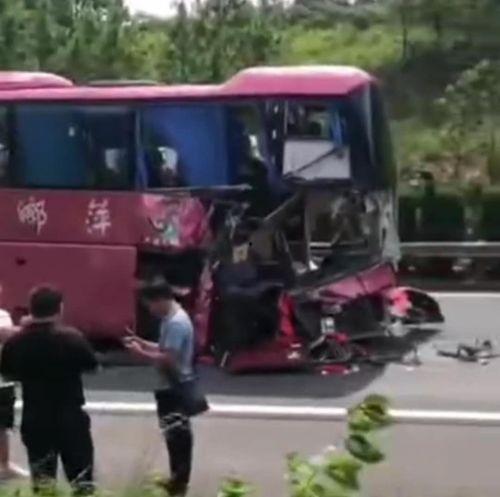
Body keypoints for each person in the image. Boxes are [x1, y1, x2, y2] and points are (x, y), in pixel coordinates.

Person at [0, 286, 97, 494]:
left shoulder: (16, 342)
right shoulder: (72, 338)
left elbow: (7, 374)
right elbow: (92, 367)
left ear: (31, 309)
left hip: (35, 417)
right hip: (70, 415)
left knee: (43, 481)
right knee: (82, 479)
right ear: (59, 308)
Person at [123, 280, 205, 497]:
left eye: (150, 304)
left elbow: (168, 358)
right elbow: (164, 348)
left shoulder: (176, 323)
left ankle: (179, 485)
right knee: (174, 437)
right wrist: (141, 341)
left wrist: (140, 354)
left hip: (173, 388)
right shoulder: (172, 318)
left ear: (160, 300)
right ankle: (176, 479)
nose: (150, 310)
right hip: (170, 385)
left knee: (178, 438)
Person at [0, 283, 26, 480]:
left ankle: (4, 465)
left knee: (3, 426)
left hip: (2, 381)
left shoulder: (3, 315)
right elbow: (5, 334)